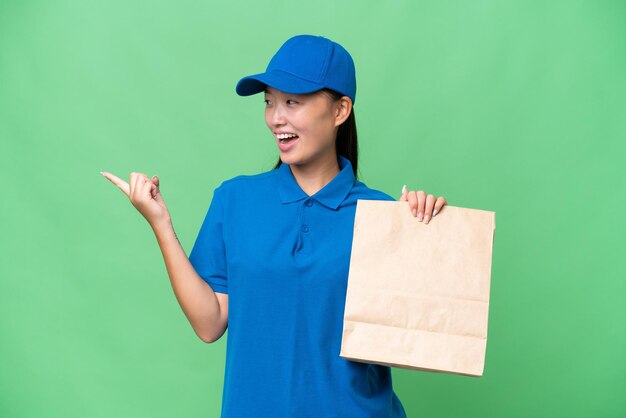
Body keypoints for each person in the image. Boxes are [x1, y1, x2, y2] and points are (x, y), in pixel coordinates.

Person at [101, 34, 447, 418]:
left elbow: (417, 333)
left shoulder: (384, 215)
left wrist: (423, 229)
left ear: (340, 110)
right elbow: (209, 322)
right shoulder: (235, 200)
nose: (275, 117)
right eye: (269, 102)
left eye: (292, 102)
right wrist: (160, 223)